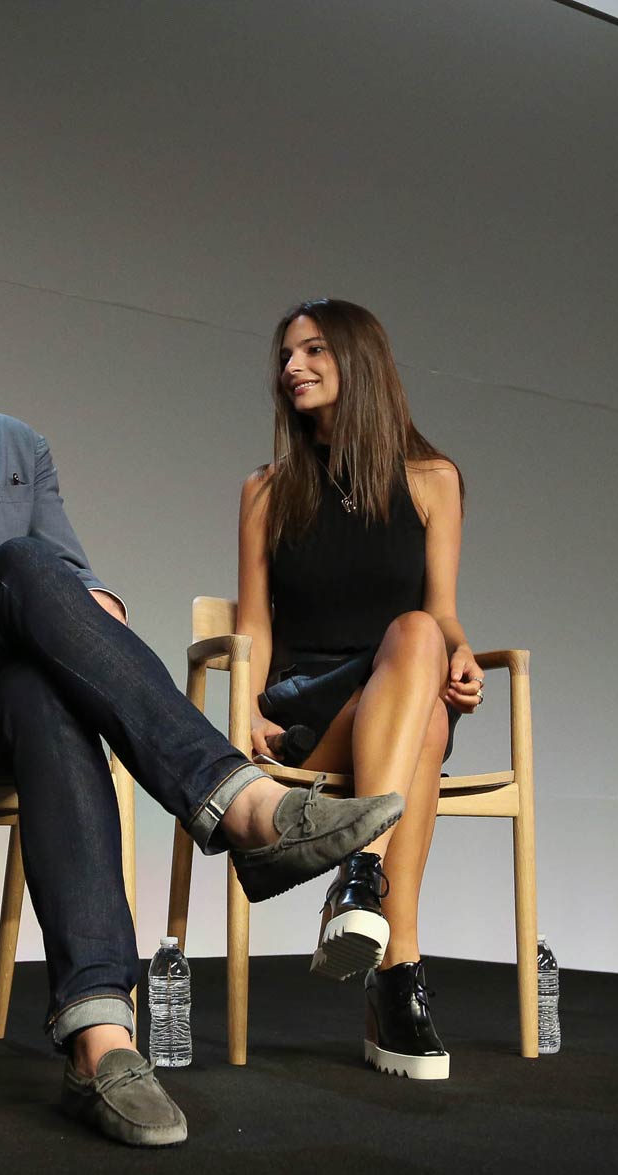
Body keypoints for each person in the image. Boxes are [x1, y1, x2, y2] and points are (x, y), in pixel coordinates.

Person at [0, 253, 404, 1146]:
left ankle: (102, 1040)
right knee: (16, 568)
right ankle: (239, 800)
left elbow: (77, 574)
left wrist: (101, 609)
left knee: (43, 685)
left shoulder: (19, 443)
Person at [236, 298, 483, 1081]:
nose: (292, 368)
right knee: (426, 725)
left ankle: (359, 882)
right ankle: (397, 977)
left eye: (312, 351)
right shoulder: (268, 490)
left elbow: (441, 612)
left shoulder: (433, 481)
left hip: (398, 693)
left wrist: (464, 650)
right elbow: (252, 630)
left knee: (416, 638)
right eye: (285, 356)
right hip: (309, 709)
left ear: (360, 361)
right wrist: (242, 705)